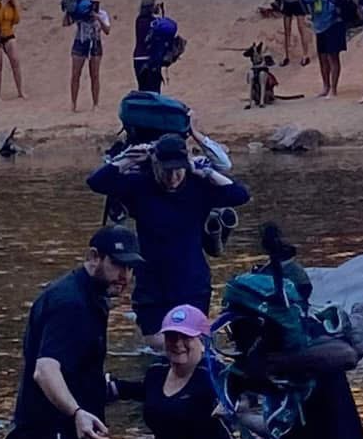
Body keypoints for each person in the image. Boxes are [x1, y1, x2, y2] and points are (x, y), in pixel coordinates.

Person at [221, 226, 363, 439]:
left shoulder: (313, 351)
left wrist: (273, 364)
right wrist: (241, 416)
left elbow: (346, 355)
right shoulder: (271, 366)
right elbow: (285, 427)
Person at [88, 133, 250, 348]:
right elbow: (97, 182)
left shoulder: (198, 186)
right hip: (151, 282)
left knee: (191, 344)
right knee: (157, 344)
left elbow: (240, 194)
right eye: (167, 171)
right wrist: (130, 158)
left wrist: (205, 171)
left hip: (191, 281)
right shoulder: (141, 186)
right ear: (155, 164)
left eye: (178, 170)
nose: (173, 177)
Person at [5, 225, 146, 439]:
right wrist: (77, 412)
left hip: (61, 434)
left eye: (130, 268)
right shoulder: (72, 304)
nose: (125, 276)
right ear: (93, 257)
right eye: (118, 265)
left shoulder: (87, 296)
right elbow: (45, 370)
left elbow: (77, 368)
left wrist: (127, 390)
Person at [126, 304, 235, 439]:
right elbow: (136, 391)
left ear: (203, 341)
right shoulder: (156, 373)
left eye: (186, 337)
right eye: (171, 336)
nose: (177, 343)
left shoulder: (215, 375)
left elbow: (246, 393)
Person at [66, 0, 112, 111]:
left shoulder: (102, 14)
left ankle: (95, 103)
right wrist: (70, 11)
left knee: (95, 75)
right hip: (80, 42)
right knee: (75, 74)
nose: (94, 5)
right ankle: (73, 103)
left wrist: (97, 18)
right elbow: (66, 22)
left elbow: (107, 30)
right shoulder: (82, 11)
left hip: (95, 43)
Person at [306, 0, 346, 99]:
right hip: (320, 26)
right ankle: (326, 86)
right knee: (322, 57)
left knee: (332, 57)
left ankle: (333, 89)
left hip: (333, 23)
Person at [133, 0, 161, 92]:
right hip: (151, 59)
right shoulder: (155, 22)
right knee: (154, 90)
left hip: (138, 58)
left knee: (143, 89)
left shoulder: (139, 20)